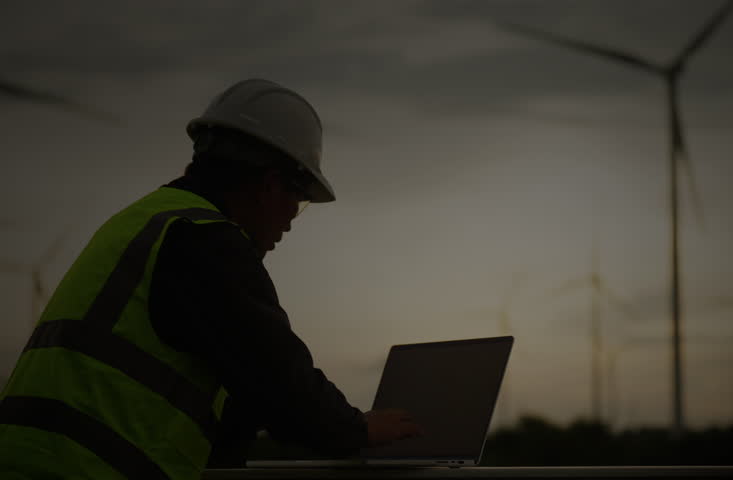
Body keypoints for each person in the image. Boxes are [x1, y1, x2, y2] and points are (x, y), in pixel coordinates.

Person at [0, 79, 422, 480]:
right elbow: (277, 379)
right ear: (271, 185)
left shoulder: (148, 221)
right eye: (300, 197)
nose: (293, 219)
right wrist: (358, 429)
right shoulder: (207, 243)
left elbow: (230, 382)